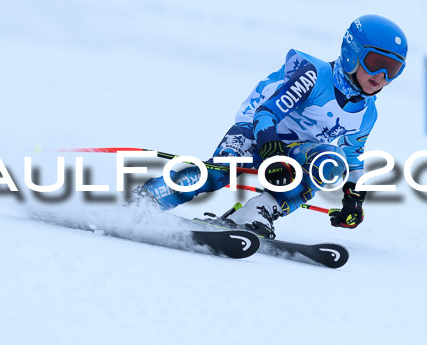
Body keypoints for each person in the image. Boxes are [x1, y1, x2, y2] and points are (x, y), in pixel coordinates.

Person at [134, 14, 408, 238]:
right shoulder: (314, 75)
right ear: (352, 53)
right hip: (258, 131)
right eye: (375, 64)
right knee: (221, 172)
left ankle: (257, 211)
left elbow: (352, 156)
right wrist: (272, 153)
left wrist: (354, 198)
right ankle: (151, 197)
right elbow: (266, 113)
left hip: (297, 149)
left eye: (393, 69)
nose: (381, 77)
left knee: (330, 161)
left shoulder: (367, 113)